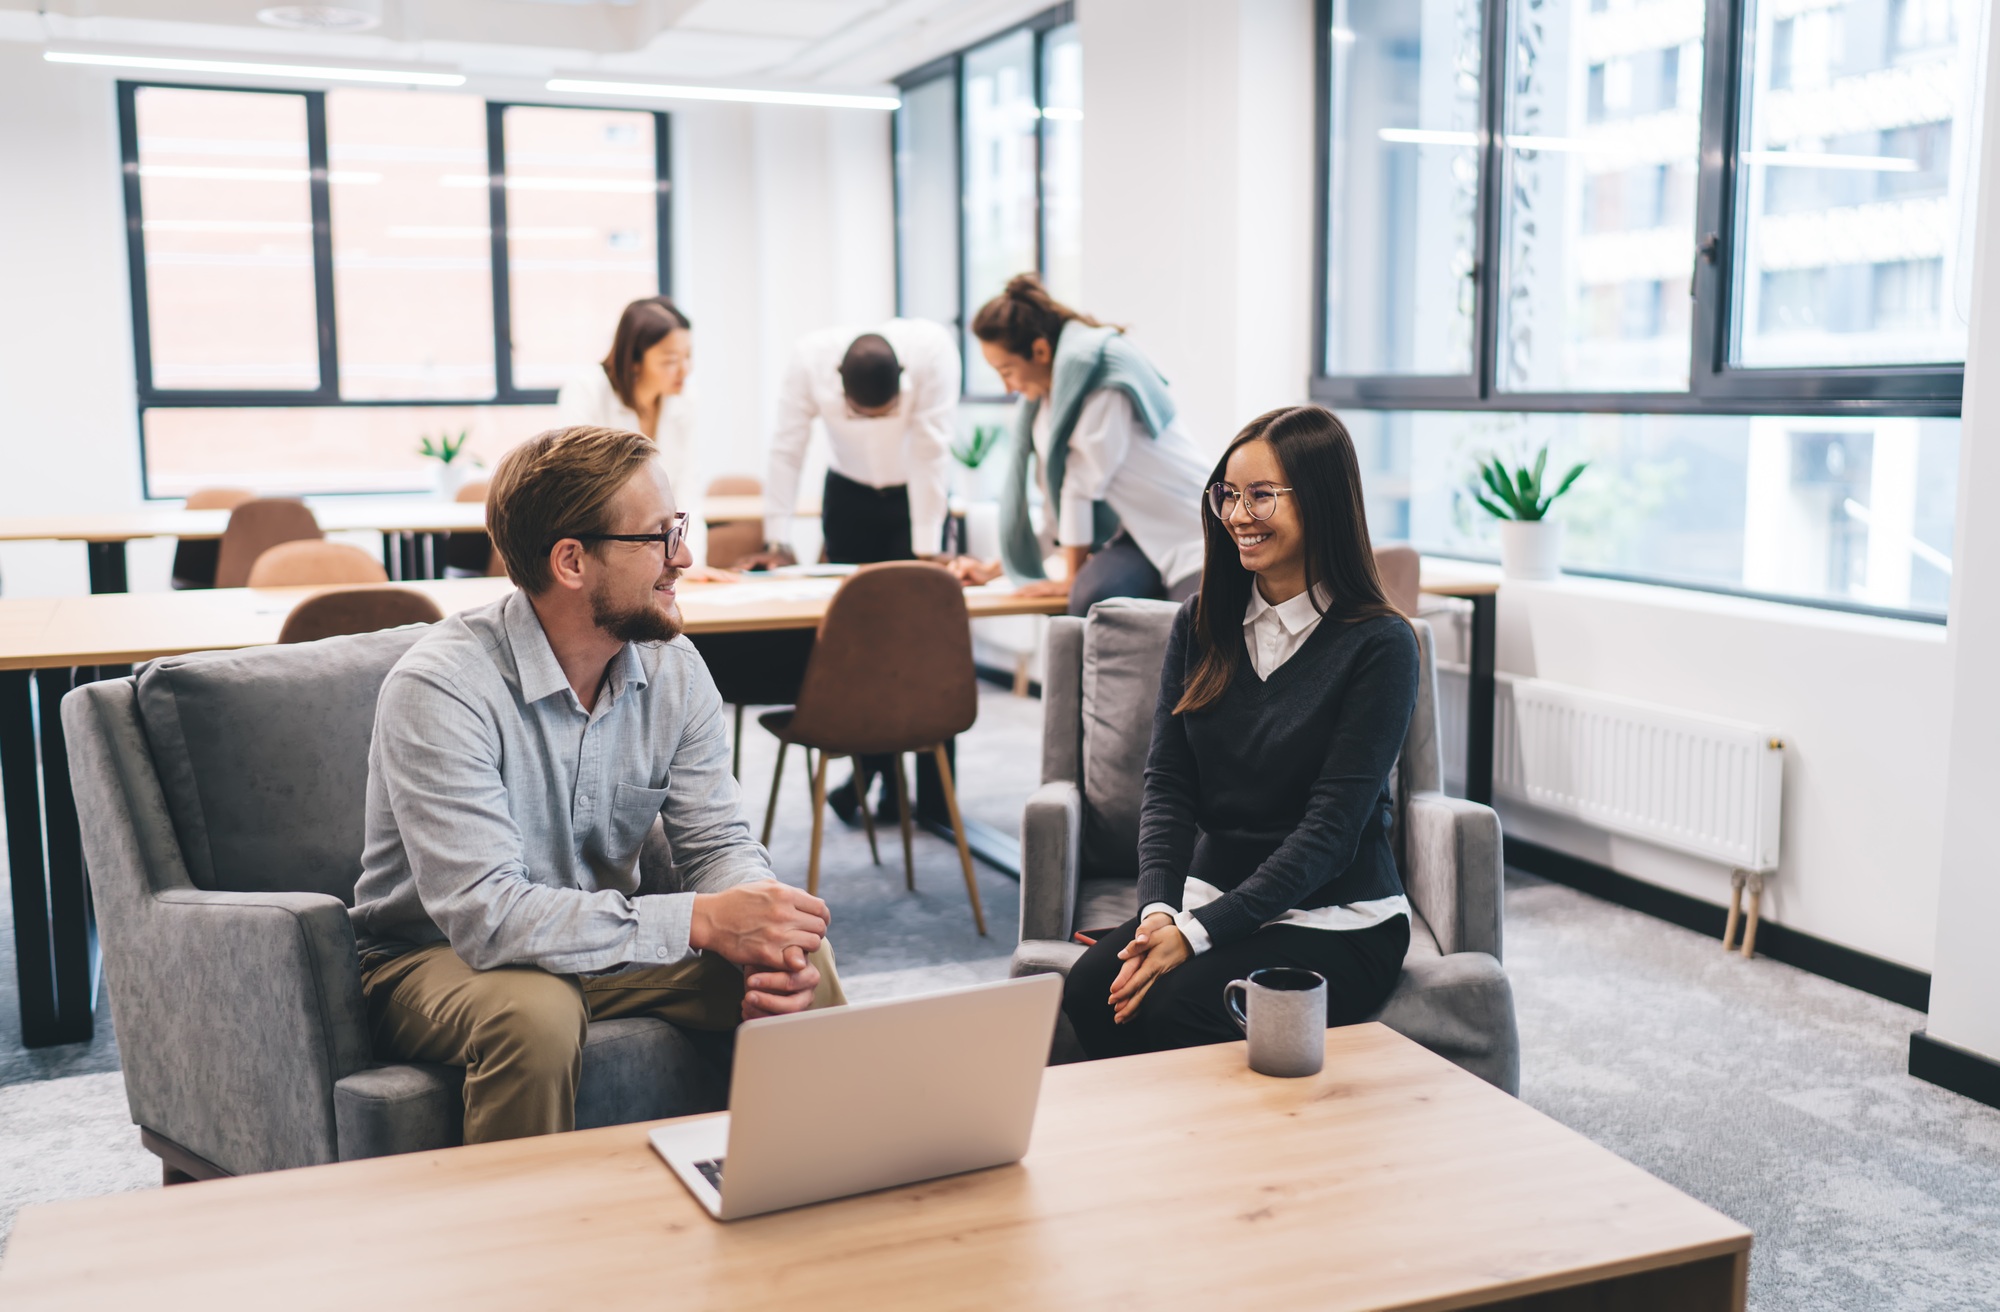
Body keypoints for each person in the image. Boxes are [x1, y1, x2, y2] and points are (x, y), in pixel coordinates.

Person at [351, 425, 845, 1145]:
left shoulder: (673, 667)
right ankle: (527, 1251)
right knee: (535, 1010)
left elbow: (716, 843)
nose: (686, 558)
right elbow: (487, 916)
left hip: (595, 937)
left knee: (796, 950)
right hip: (432, 957)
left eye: (680, 529)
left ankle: (817, 1195)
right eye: (660, 537)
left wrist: (761, 915)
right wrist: (701, 920)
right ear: (573, 561)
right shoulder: (442, 687)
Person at [1061, 405, 1416, 1060]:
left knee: (1173, 1007)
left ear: (1321, 502)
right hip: (1211, 897)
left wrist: (1196, 937)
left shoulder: (1379, 643)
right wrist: (1160, 914)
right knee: (1088, 991)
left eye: (1261, 496)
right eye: (1228, 494)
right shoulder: (1201, 621)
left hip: (1337, 917)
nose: (1238, 515)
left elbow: (1332, 834)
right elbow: (1168, 787)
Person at [741, 318, 961, 822]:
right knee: (859, 640)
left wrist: (926, 549)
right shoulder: (808, 359)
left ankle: (933, 801)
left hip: (916, 498)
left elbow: (932, 447)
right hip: (848, 496)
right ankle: (877, 777)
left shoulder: (932, 353)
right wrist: (778, 538)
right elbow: (787, 446)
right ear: (838, 383)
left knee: (928, 640)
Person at [947, 273, 1208, 617]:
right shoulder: (1044, 405)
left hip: (1197, 534)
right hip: (1139, 539)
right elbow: (1058, 515)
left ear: (1039, 350)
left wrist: (1069, 577)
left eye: (1007, 370)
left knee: (1188, 632)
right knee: (1090, 598)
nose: (1006, 386)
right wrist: (994, 569)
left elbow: (1080, 485)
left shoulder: (1103, 379)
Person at [558, 296, 698, 496]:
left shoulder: (684, 401)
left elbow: (688, 488)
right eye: (671, 360)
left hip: (666, 525)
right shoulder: (587, 390)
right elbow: (574, 483)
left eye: (688, 356)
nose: (685, 370)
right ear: (634, 361)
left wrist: (685, 528)